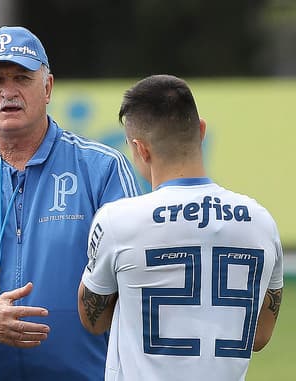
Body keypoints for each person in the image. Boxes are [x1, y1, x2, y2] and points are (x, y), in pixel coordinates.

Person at [0, 25, 140, 380]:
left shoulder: (102, 169)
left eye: (21, 77)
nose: (8, 91)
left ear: (47, 87)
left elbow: (136, 277)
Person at [78, 74, 283, 380]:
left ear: (141, 149)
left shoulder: (117, 221)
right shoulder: (261, 221)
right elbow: (260, 336)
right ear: (201, 130)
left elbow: (93, 321)